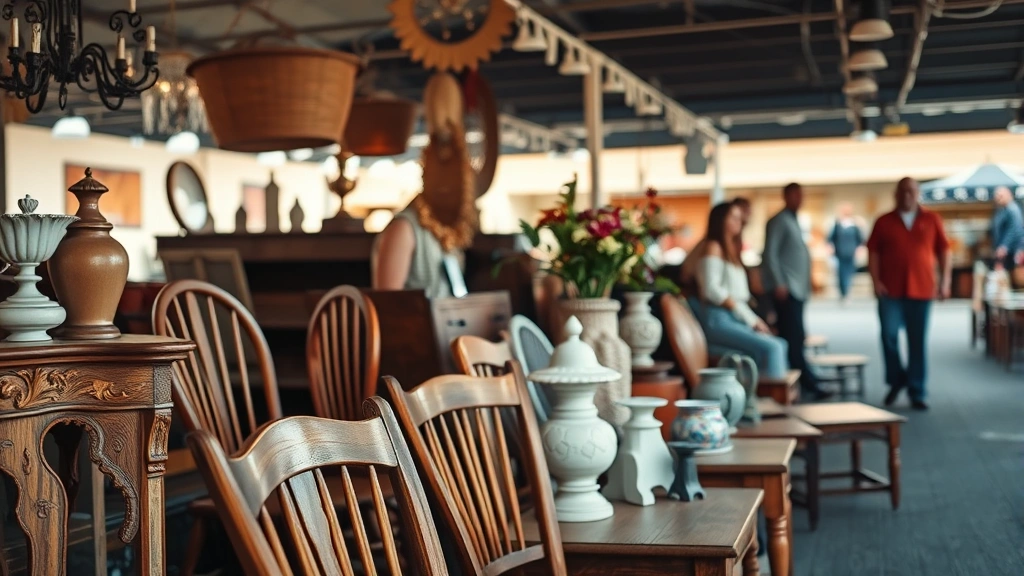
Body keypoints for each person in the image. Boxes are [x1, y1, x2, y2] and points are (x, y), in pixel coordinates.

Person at [372, 73, 477, 298]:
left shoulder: (451, 233)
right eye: (443, 176)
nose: (448, 187)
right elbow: (388, 306)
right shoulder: (404, 229)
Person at [867, 177, 951, 411]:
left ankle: (917, 390)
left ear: (917, 194)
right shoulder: (883, 221)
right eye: (902, 191)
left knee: (917, 342)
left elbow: (944, 251)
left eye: (911, 191)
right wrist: (875, 281)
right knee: (888, 335)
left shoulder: (931, 219)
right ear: (896, 194)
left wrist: (945, 281)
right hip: (890, 290)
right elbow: (872, 252)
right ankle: (897, 379)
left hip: (922, 289)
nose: (907, 196)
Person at [692, 202, 789, 379]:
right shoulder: (713, 246)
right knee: (773, 347)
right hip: (719, 319)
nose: (740, 221)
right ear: (721, 220)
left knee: (780, 344)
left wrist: (753, 319)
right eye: (734, 217)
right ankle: (774, 400)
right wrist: (751, 320)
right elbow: (711, 289)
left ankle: (766, 397)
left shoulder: (730, 249)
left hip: (733, 317)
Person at [761, 183, 830, 399]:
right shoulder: (780, 221)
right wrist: (779, 282)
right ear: (786, 196)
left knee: (797, 335)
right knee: (793, 336)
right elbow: (770, 254)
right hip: (787, 288)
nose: (800, 199)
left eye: (802, 195)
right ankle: (804, 382)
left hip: (797, 288)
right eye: (795, 195)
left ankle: (803, 379)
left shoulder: (793, 219)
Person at [829, 203, 865, 301]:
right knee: (841, 273)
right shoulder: (838, 224)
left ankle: (847, 292)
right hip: (840, 253)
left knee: (849, 273)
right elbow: (831, 238)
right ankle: (843, 292)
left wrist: (859, 248)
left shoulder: (854, 225)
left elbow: (860, 239)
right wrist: (830, 247)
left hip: (851, 253)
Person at [990, 186, 1024, 271]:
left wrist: (1004, 246)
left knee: (1011, 275)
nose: (998, 198)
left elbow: (1015, 229)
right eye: (997, 196)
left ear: (1009, 195)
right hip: (1005, 250)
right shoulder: (1001, 210)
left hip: (1012, 251)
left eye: (1000, 196)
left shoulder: (1012, 209)